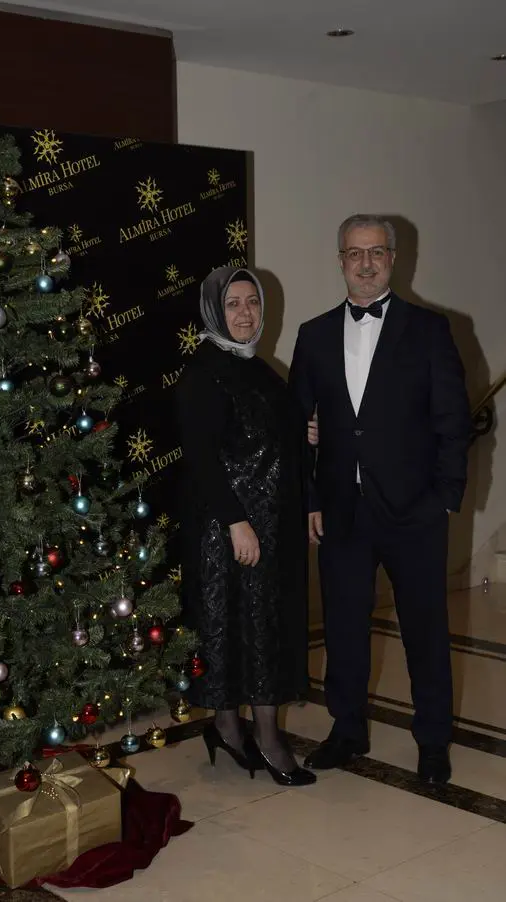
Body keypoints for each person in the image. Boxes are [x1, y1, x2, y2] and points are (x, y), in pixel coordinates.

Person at [289, 214, 471, 784]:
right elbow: (297, 427)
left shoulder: (430, 329)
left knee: (425, 630)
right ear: (340, 261)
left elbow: (453, 420)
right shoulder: (313, 335)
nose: (365, 263)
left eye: (375, 252)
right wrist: (310, 498)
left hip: (415, 510)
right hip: (342, 509)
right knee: (343, 628)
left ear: (393, 259)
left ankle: (433, 740)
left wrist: (445, 496)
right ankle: (347, 730)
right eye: (354, 253)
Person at [175, 266, 315, 786]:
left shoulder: (259, 368)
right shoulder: (202, 373)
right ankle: (253, 735)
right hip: (227, 530)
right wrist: (236, 522)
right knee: (233, 628)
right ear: (214, 310)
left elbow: (274, 433)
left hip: (271, 526)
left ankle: (235, 730)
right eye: (232, 304)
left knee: (264, 628)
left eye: (251, 302)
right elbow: (201, 459)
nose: (244, 313)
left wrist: (306, 433)